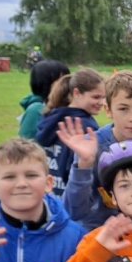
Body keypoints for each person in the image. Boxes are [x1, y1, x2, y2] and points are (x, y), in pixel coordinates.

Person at [58, 70, 132, 230]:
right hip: (99, 234)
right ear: (108, 110)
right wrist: (84, 165)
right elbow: (74, 211)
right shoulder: (92, 148)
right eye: (123, 109)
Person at [34, 68, 105, 197]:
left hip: (49, 193)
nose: (102, 103)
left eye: (103, 97)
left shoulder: (51, 117)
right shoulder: (84, 126)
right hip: (71, 196)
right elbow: (83, 170)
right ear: (77, 93)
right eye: (96, 97)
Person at [18, 59, 71, 140]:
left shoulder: (61, 105)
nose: (67, 85)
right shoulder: (35, 110)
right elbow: (25, 143)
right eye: (62, 80)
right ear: (47, 82)